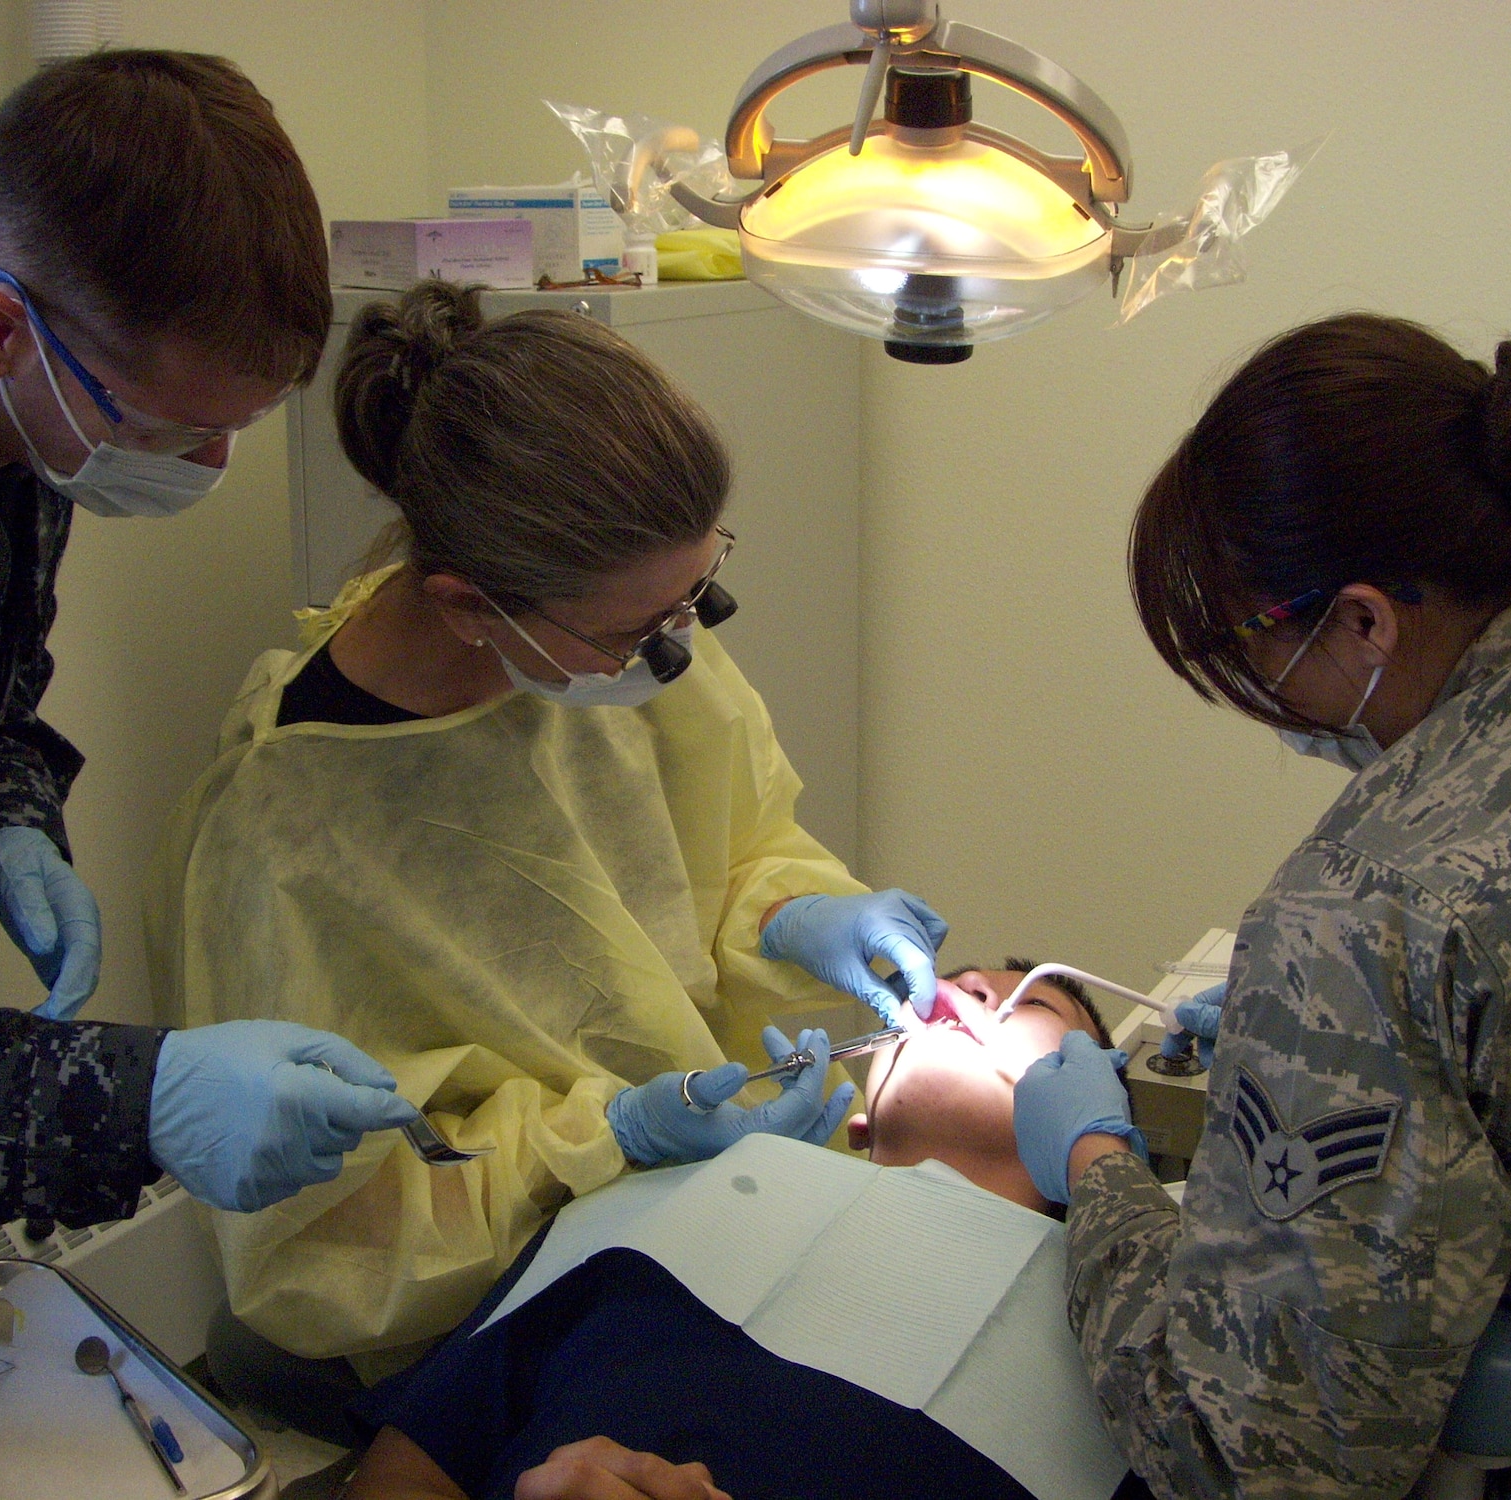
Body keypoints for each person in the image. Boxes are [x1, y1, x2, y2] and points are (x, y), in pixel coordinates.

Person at [1012, 314, 1511, 1498]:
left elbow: (1253, 1457)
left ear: (1361, 620)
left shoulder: (1364, 911)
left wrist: (1092, 1167)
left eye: (1246, 647)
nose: (1258, 700)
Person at [146, 278, 949, 1388]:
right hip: (483, 1328)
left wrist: (798, 913)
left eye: (696, 596)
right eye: (637, 632)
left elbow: (726, 849)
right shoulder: (282, 838)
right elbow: (326, 1250)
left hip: (688, 1236)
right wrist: (606, 1136)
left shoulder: (612, 637)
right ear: (471, 605)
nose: (677, 651)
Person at [0, 51, 424, 1277]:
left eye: (231, 434)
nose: (201, 472)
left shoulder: (15, 381)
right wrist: (136, 1097)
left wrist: (6, 811)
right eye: (170, 432)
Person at [337, 964, 1141, 1500]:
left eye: (1031, 1002)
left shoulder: (1139, 1328)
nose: (967, 992)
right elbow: (404, 1478)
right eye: (955, 978)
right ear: (858, 1122)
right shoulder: (638, 1213)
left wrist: (1107, 1183)